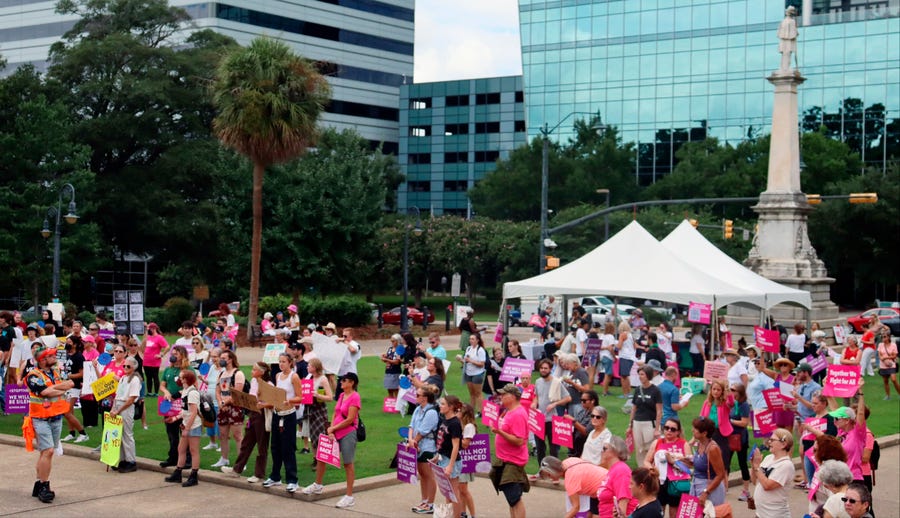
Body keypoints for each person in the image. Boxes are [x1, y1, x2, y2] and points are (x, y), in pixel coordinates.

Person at [303, 371, 361, 509]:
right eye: (341, 380)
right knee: (322, 457)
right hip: (335, 432)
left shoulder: (355, 397)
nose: (341, 382)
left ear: (351, 383)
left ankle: (349, 496)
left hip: (348, 432)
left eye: (344, 380)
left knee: (348, 463)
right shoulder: (341, 395)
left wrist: (333, 428)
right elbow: (336, 412)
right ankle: (317, 484)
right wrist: (331, 428)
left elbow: (350, 419)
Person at [26, 345, 74, 503]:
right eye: (52, 356)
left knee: (45, 453)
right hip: (41, 418)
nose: (55, 358)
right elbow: (44, 392)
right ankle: (44, 486)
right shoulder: (33, 375)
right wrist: (60, 389)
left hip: (56, 417)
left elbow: (71, 384)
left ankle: (39, 483)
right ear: (43, 360)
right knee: (48, 451)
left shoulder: (56, 372)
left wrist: (53, 388)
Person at [259, 353, 303, 492]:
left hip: (289, 415)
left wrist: (289, 401)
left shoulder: (294, 377)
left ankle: (292, 479)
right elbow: (276, 395)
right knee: (275, 446)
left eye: (284, 361)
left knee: (288, 448)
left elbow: (300, 397)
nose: (281, 364)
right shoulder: (277, 376)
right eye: (279, 361)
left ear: (290, 362)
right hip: (277, 414)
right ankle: (275, 476)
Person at [222, 362, 271, 483]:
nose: (252, 371)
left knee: (261, 445)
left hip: (262, 415)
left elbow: (271, 402)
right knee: (246, 443)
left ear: (262, 372)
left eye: (254, 370)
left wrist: (261, 403)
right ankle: (236, 470)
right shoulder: (254, 382)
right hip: (253, 413)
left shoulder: (268, 384)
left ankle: (259, 474)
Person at [489, 383, 529, 518]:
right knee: (511, 499)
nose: (501, 397)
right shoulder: (508, 411)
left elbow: (519, 441)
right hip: (506, 459)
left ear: (512, 397)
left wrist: (499, 432)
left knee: (515, 498)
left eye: (503, 395)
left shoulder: (517, 414)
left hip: (513, 460)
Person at [644, 418, 690, 518]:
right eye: (667, 428)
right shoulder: (657, 442)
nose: (669, 431)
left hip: (677, 483)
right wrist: (652, 469)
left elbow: (688, 466)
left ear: (678, 432)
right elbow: (646, 461)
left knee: (674, 513)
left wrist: (673, 461)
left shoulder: (684, 444)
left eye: (673, 429)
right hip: (660, 482)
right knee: (659, 512)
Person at [537, 456, 609, 518]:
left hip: (606, 489)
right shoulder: (569, 461)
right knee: (590, 514)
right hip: (605, 481)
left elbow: (576, 507)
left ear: (552, 472)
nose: (550, 478)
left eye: (549, 475)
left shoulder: (570, 480)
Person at [164, 369, 202, 487]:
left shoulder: (192, 393)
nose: (178, 379)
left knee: (194, 450)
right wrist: (175, 418)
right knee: (181, 449)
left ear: (186, 379)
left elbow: (194, 412)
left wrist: (187, 429)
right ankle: (178, 472)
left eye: (180, 377)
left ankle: (194, 476)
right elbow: (185, 411)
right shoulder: (185, 391)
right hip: (187, 424)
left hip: (193, 425)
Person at [408, 383, 441, 514]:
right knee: (422, 474)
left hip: (427, 447)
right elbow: (411, 425)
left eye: (418, 395)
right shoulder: (418, 409)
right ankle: (424, 500)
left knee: (429, 475)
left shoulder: (431, 412)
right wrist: (411, 440)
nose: (415, 397)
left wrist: (413, 441)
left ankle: (430, 503)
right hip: (416, 445)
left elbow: (424, 431)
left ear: (425, 398)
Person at [159, 345, 193, 468]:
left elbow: (192, 386)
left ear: (182, 356)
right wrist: (166, 392)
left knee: (184, 432)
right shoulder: (168, 370)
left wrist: (177, 394)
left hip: (182, 405)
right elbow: (162, 385)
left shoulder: (188, 370)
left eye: (176, 354)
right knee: (171, 433)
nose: (173, 356)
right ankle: (173, 457)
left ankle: (187, 459)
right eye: (172, 354)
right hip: (170, 405)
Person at [751, 427, 796, 516]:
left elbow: (767, 486)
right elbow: (754, 481)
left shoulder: (786, 465)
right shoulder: (769, 458)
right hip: (760, 513)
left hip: (774, 514)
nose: (769, 442)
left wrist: (756, 467)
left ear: (783, 444)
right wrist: (753, 465)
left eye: (772, 440)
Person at [829, 381, 868, 483]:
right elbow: (833, 407)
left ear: (847, 420)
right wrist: (827, 387)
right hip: (839, 479)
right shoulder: (841, 431)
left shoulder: (857, 433)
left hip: (854, 479)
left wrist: (860, 392)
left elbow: (860, 413)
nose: (834, 421)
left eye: (837, 418)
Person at [213, 349, 245, 468]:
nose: (221, 361)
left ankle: (241, 461)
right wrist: (221, 402)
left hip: (234, 407)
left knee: (237, 435)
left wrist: (225, 403)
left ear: (230, 359)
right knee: (222, 434)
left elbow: (237, 393)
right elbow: (217, 390)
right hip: (223, 407)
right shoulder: (221, 374)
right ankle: (224, 458)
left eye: (223, 359)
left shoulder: (238, 373)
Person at [109, 356, 141, 472]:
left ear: (133, 367)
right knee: (118, 434)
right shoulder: (123, 378)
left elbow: (131, 399)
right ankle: (122, 459)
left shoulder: (135, 380)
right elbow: (117, 395)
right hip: (118, 404)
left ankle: (131, 460)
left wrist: (118, 410)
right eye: (124, 366)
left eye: (128, 366)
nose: (126, 368)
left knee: (127, 434)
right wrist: (113, 408)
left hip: (126, 407)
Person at [533, 358, 568, 465]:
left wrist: (555, 404)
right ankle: (541, 469)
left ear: (550, 369)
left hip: (552, 419)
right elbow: (537, 396)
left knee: (553, 449)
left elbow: (567, 398)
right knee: (540, 447)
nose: (543, 370)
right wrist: (534, 403)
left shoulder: (556, 382)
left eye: (545, 368)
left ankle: (554, 471)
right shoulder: (538, 382)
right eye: (541, 368)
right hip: (539, 419)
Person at [686, 416, 726, 507]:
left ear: (704, 433)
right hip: (697, 486)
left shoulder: (712, 449)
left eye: (696, 429)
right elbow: (701, 464)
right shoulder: (700, 443)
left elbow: (720, 475)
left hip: (710, 490)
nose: (692, 430)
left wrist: (706, 492)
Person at [435, 395, 464, 518]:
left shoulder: (455, 423)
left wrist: (450, 466)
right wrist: (437, 456)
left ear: (451, 407)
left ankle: (456, 516)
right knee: (447, 492)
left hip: (451, 461)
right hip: (443, 458)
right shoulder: (444, 420)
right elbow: (442, 441)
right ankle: (449, 515)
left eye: (443, 404)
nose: (440, 406)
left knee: (453, 492)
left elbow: (456, 446)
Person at [629, 365, 663, 464]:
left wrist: (657, 428)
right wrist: (630, 425)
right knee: (639, 448)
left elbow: (659, 411)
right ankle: (641, 468)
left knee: (650, 447)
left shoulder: (655, 390)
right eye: (639, 374)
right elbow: (634, 408)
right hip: (637, 422)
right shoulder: (637, 389)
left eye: (642, 374)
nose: (640, 376)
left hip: (650, 422)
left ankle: (651, 468)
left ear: (648, 375)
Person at [597, 436, 637, 518]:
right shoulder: (613, 469)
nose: (601, 451)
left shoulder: (621, 471)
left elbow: (623, 502)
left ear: (615, 451)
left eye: (604, 448)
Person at [59, 336, 89, 443]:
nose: (67, 344)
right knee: (69, 412)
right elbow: (60, 366)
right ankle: (71, 433)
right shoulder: (65, 354)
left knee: (66, 412)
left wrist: (69, 376)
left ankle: (83, 433)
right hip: (64, 385)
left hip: (74, 386)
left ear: (75, 344)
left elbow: (82, 373)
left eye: (69, 342)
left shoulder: (79, 357)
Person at [305, 357, 333, 464]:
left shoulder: (323, 379)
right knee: (312, 435)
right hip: (310, 409)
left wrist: (317, 395)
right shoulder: (309, 377)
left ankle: (322, 458)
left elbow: (330, 397)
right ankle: (315, 458)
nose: (307, 367)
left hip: (320, 409)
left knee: (320, 434)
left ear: (315, 367)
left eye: (309, 365)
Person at [457, 403, 478, 518]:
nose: (456, 412)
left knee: (463, 490)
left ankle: (473, 514)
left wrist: (454, 437)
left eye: (459, 411)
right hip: (460, 460)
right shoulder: (461, 424)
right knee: (460, 490)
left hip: (465, 461)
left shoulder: (469, 426)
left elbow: (465, 444)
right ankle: (462, 513)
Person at [460, 332, 487, 417]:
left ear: (477, 340)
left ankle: (481, 412)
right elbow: (466, 361)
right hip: (468, 373)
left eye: (473, 339)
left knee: (478, 393)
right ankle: (471, 410)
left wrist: (470, 360)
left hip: (477, 374)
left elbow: (482, 364)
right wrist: (460, 359)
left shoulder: (480, 350)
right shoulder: (468, 348)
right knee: (471, 393)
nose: (471, 340)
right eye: (470, 339)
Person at [141, 322, 168, 396]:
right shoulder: (148, 337)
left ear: (154, 329)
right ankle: (149, 392)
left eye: (149, 329)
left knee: (155, 376)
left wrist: (161, 354)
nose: (149, 330)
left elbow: (167, 346)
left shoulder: (159, 338)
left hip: (154, 361)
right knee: (148, 377)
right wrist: (146, 334)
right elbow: (142, 346)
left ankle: (156, 392)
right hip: (146, 360)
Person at [877, 330, 900, 399]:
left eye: (884, 337)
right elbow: (879, 355)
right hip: (883, 365)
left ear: (888, 337)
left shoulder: (893, 345)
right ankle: (888, 395)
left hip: (891, 364)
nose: (883, 338)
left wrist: (886, 357)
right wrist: (883, 360)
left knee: (893, 379)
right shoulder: (880, 345)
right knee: (885, 380)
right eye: (882, 337)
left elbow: (895, 356)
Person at [616, 321, 637, 398]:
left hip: (624, 356)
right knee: (626, 375)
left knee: (623, 376)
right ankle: (628, 392)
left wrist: (616, 344)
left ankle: (625, 393)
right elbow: (634, 346)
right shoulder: (630, 335)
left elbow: (619, 346)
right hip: (631, 357)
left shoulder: (622, 335)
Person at [598, 322, 617, 397]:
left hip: (602, 356)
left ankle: (606, 390)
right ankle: (605, 392)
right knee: (607, 374)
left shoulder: (602, 336)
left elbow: (599, 347)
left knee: (608, 374)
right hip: (608, 356)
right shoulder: (611, 337)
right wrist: (614, 357)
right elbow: (611, 348)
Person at [381, 333, 403, 399]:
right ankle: (391, 407)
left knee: (396, 390)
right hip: (388, 370)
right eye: (391, 341)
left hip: (395, 372)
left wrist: (386, 359)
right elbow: (389, 358)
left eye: (393, 341)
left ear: (398, 341)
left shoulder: (400, 349)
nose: (392, 342)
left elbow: (397, 362)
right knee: (389, 389)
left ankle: (397, 407)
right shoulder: (390, 348)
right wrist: (385, 357)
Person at [778, 5, 798, 70]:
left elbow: (794, 33)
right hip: (787, 40)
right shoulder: (791, 21)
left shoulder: (787, 21)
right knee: (786, 54)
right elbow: (794, 33)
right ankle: (784, 68)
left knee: (786, 54)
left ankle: (785, 67)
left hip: (786, 40)